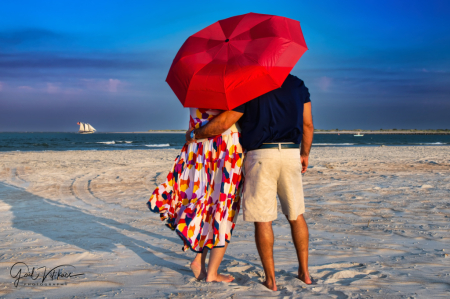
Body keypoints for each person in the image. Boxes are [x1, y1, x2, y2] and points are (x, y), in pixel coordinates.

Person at [186, 74, 314, 291]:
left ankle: (271, 280)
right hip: (291, 153)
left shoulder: (249, 85)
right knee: (296, 215)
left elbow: (226, 121)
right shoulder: (298, 84)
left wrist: (195, 133)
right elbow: (308, 125)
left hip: (261, 154)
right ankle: (305, 273)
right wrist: (305, 153)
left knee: (263, 220)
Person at [147, 108, 244, 283]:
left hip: (198, 150)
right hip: (223, 148)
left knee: (205, 205)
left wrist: (193, 133)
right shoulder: (228, 91)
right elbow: (223, 123)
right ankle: (212, 272)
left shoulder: (197, 87)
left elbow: (198, 121)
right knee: (224, 208)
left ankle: (199, 260)